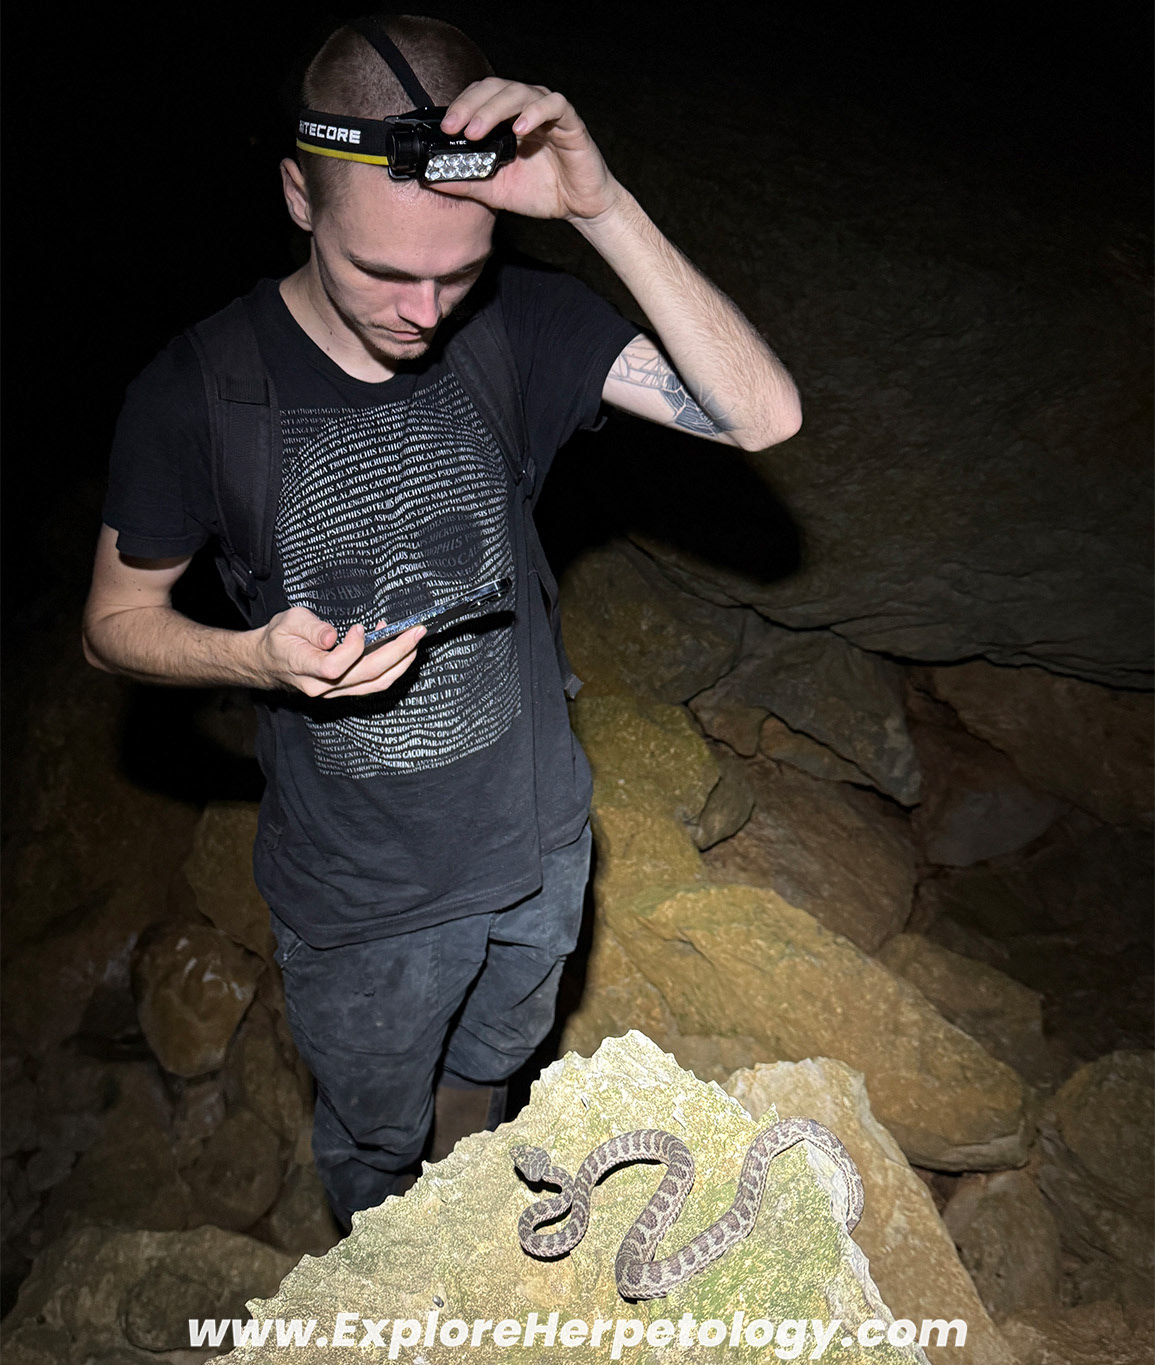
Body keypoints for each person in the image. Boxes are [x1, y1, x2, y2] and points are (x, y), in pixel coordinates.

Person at [82, 13, 801, 1232]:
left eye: (456, 271)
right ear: (299, 198)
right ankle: (390, 1254)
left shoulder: (514, 325)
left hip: (536, 841)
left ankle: (462, 1211)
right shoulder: (198, 393)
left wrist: (600, 206)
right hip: (362, 898)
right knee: (374, 1132)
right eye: (385, 272)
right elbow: (114, 623)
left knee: (489, 1071)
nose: (424, 311)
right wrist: (251, 655)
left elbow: (761, 417)